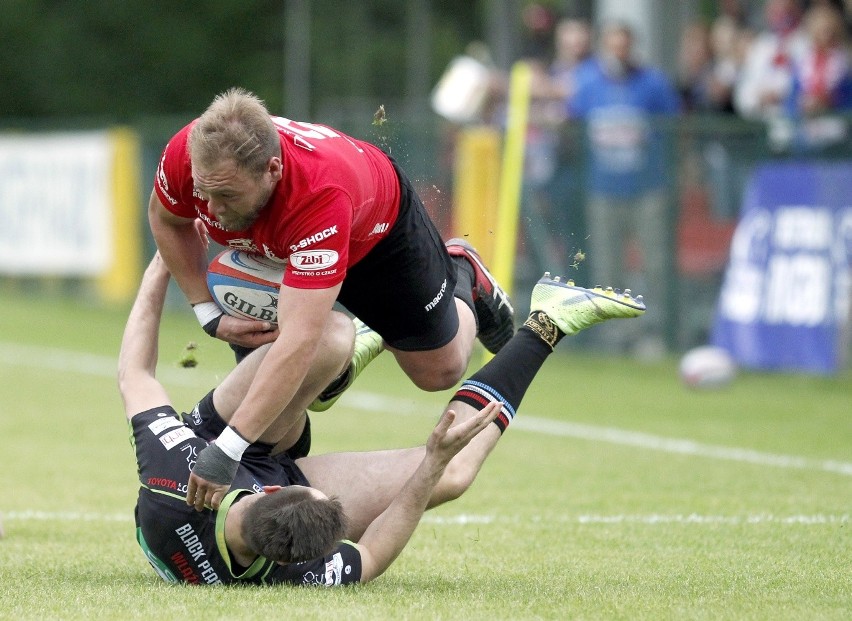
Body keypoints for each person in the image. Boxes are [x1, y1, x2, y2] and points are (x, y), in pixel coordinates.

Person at [120, 254, 645, 586]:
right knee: (455, 473)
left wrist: (163, 261)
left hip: (220, 438)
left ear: (274, 495)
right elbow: (369, 555)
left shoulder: (170, 471)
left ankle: (343, 359)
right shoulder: (294, 569)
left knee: (329, 337)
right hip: (264, 483)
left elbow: (134, 373)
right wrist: (433, 463)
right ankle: (550, 318)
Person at [148, 87, 515, 507]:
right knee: (280, 431)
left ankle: (464, 272)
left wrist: (227, 449)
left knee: (440, 371)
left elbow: (299, 340)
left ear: (272, 170)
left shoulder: (319, 194)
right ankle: (340, 358)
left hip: (376, 237)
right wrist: (207, 311)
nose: (210, 209)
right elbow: (166, 220)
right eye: (204, 193)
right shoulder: (191, 153)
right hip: (280, 248)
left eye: (227, 196)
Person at [567, 21, 681, 359]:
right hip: (603, 188)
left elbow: (675, 125)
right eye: (613, 46)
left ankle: (655, 331)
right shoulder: (588, 82)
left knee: (655, 262)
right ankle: (613, 334)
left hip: (647, 188)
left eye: (624, 46)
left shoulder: (653, 83)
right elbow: (571, 122)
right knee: (607, 264)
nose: (619, 53)